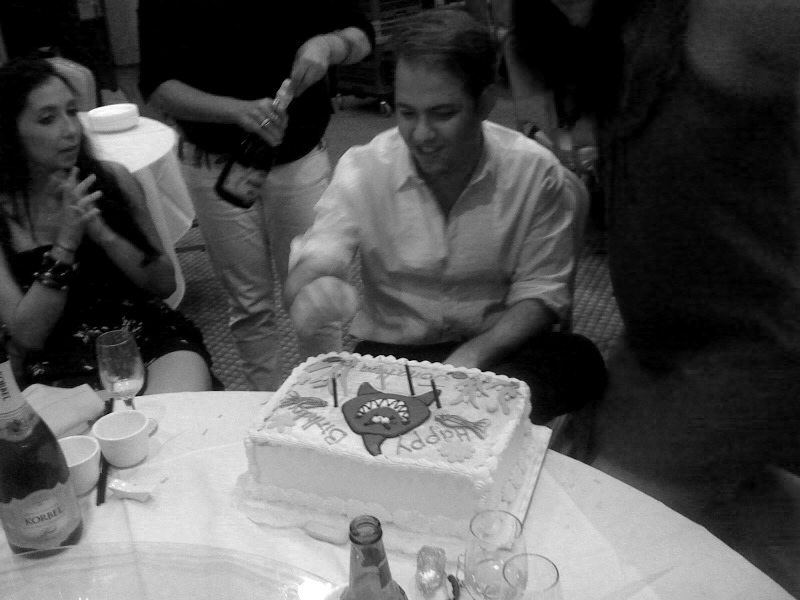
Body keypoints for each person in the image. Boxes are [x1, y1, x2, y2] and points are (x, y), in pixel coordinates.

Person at [513, 0, 800, 593]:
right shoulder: (566, 35)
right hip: (657, 348)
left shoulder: (726, 16)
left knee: (584, 553)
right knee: (583, 491)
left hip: (746, 354)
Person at [285, 7, 607, 424]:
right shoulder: (364, 167)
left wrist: (471, 358)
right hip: (398, 356)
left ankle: (442, 426)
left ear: (485, 102)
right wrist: (311, 284)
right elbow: (319, 255)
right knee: (384, 407)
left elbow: (542, 294)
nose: (421, 135)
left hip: (498, 349)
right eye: (407, 113)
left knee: (580, 358)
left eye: (442, 114)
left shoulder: (534, 172)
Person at [137, 0, 374, 391]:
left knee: (316, 295)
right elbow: (158, 86)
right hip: (214, 163)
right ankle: (263, 406)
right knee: (249, 306)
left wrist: (328, 46)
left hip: (298, 156)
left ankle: (326, 401)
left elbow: (361, 35)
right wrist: (235, 111)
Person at [0, 57, 215, 393]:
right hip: (59, 358)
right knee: (96, 425)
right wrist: (66, 244)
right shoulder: (4, 214)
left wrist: (104, 235)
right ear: (10, 133)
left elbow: (164, 284)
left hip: (145, 334)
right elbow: (28, 334)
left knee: (171, 414)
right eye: (47, 119)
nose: (70, 130)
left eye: (72, 112)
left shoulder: (113, 179)